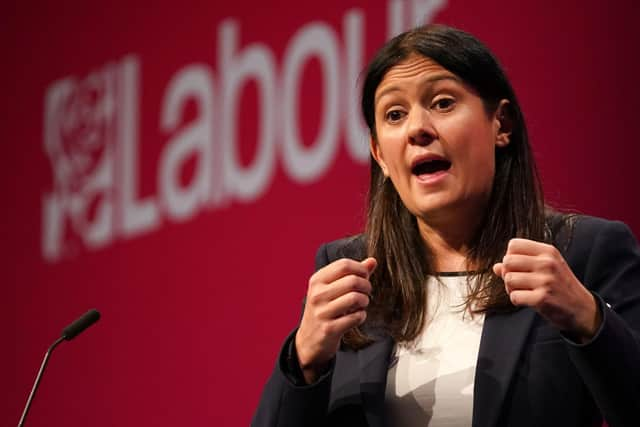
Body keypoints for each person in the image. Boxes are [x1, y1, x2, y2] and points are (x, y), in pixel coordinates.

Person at [252, 24, 640, 427]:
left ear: (501, 125)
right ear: (380, 155)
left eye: (442, 103)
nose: (418, 129)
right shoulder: (348, 273)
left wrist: (589, 319)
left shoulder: (582, 251)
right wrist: (304, 360)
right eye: (395, 114)